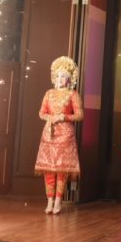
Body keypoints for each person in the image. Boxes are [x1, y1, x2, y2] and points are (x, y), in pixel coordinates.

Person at [35, 56, 84, 215]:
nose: (60, 79)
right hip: (49, 133)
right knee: (49, 169)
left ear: (69, 79)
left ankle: (58, 200)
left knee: (62, 169)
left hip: (65, 135)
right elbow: (41, 112)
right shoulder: (49, 93)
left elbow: (80, 115)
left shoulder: (73, 94)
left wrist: (64, 117)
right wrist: (48, 117)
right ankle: (49, 200)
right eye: (58, 75)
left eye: (64, 76)